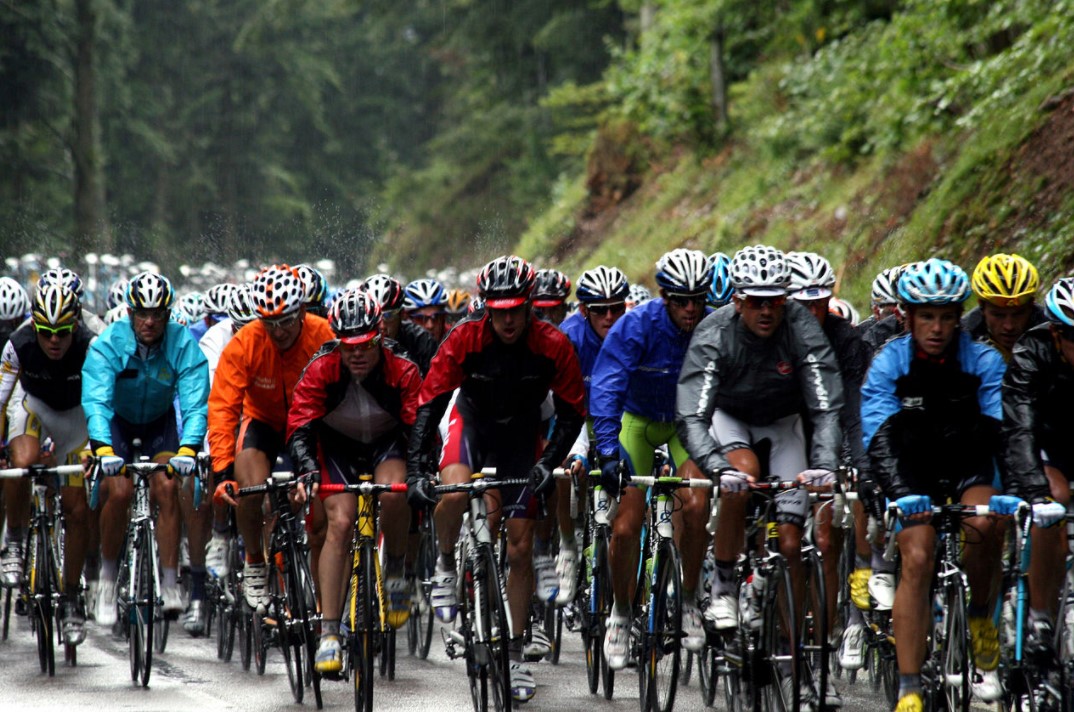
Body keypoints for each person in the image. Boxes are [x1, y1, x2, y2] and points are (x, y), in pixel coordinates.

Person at [406, 255, 585, 703]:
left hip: (521, 438)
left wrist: (551, 462)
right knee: (452, 493)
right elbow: (430, 402)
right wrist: (415, 470)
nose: (506, 320)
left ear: (529, 307)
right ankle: (446, 563)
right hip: (473, 426)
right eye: (497, 311)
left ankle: (516, 649)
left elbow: (572, 412)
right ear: (486, 308)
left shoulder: (552, 343)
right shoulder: (465, 336)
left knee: (521, 545)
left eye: (515, 310)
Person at [676, 245, 844, 709]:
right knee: (741, 476)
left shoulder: (802, 327)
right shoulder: (714, 332)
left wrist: (825, 465)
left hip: (784, 423)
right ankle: (725, 582)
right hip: (730, 420)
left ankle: (797, 662)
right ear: (737, 300)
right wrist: (716, 468)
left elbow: (826, 405)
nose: (767, 310)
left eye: (775, 300)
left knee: (792, 544)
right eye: (756, 301)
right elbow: (691, 414)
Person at [860, 258, 1009, 709]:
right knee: (919, 556)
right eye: (927, 316)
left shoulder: (983, 360)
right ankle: (909, 685)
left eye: (947, 316)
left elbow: (1004, 432)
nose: (938, 327)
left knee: (985, 528)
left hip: (968, 465)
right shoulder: (890, 361)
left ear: (959, 317)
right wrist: (900, 493)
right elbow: (877, 435)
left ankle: (981, 613)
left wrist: (1014, 491)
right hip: (911, 470)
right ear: (907, 316)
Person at [591, 247, 714, 668]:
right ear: (664, 296)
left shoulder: (712, 326)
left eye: (698, 299)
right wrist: (607, 451)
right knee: (625, 528)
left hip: (686, 424)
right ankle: (621, 613)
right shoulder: (636, 326)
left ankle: (690, 598)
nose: (691, 308)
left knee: (697, 505)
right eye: (681, 300)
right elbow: (606, 388)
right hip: (637, 422)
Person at [287, 290, 422, 673]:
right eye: (348, 348)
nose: (357, 355)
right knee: (340, 523)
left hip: (387, 443)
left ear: (379, 337)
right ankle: (329, 631)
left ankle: (395, 569)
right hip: (337, 448)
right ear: (337, 343)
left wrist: (421, 469)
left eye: (365, 345)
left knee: (396, 497)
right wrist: (307, 468)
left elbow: (419, 427)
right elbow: (300, 424)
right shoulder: (321, 368)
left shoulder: (403, 368)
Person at [82, 271, 210, 626]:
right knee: (119, 491)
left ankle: (169, 582)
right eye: (142, 313)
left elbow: (196, 403)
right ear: (130, 313)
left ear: (168, 315)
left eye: (157, 314)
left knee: (168, 486)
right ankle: (107, 581)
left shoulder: (182, 343)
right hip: (117, 425)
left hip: (159, 424)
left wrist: (189, 449)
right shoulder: (109, 343)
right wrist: (102, 449)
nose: (150, 321)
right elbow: (95, 400)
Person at [207, 264, 335, 611]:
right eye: (269, 323)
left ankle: (325, 602)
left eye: (285, 322)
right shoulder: (246, 342)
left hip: (311, 426)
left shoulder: (323, 334)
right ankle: (254, 563)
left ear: (303, 312)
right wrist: (221, 472)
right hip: (262, 422)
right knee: (248, 490)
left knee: (323, 513)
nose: (277, 332)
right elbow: (222, 409)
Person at [785, 251, 872, 680]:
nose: (813, 314)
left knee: (823, 540)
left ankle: (820, 649)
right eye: (804, 305)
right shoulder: (771, 331)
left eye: (820, 305)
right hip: (782, 430)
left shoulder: (846, 339)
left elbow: (853, 409)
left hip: (829, 435)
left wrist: (857, 462)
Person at [0, 282, 95, 645]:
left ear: (74, 325)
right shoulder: (19, 344)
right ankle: (16, 540)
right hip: (34, 407)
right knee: (20, 462)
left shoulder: (91, 345)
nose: (53, 341)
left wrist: (100, 450)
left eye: (61, 332)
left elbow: (103, 401)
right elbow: (1, 399)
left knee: (76, 509)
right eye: (45, 332)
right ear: (34, 326)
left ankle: (72, 597)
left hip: (76, 417)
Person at [999, 277, 1074, 653]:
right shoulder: (1032, 350)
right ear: (1056, 333)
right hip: (1044, 444)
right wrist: (1035, 491)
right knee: (1055, 500)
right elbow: (1020, 425)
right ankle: (1040, 616)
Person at [554, 265, 630, 604]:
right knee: (568, 471)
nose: (610, 316)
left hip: (618, 417)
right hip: (577, 415)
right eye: (601, 310)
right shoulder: (569, 337)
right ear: (584, 310)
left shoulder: (632, 333)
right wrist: (579, 450)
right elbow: (563, 405)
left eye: (617, 308)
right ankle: (568, 545)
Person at [962, 253, 1046, 361]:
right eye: (998, 315)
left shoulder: (1053, 333)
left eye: (1018, 314)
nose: (1009, 326)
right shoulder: (964, 335)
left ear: (1031, 305)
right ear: (982, 307)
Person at [363, 274, 438, 375]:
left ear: (402, 314)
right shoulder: (353, 347)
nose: (382, 326)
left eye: (389, 315)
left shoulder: (421, 340)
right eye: (373, 317)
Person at [404, 278, 449, 343]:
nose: (430, 326)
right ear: (407, 319)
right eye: (421, 318)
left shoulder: (456, 339)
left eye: (436, 317)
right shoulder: (397, 346)